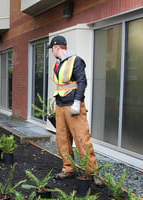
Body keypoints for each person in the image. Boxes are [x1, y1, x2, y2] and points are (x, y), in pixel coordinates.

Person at [48, 35, 102, 187]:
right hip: (60, 105)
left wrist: (77, 102)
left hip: (74, 106)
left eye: (52, 49)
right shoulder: (57, 64)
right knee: (62, 139)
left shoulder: (76, 61)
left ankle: (93, 173)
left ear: (57, 47)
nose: (52, 51)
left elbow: (82, 82)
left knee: (82, 140)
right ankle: (68, 168)